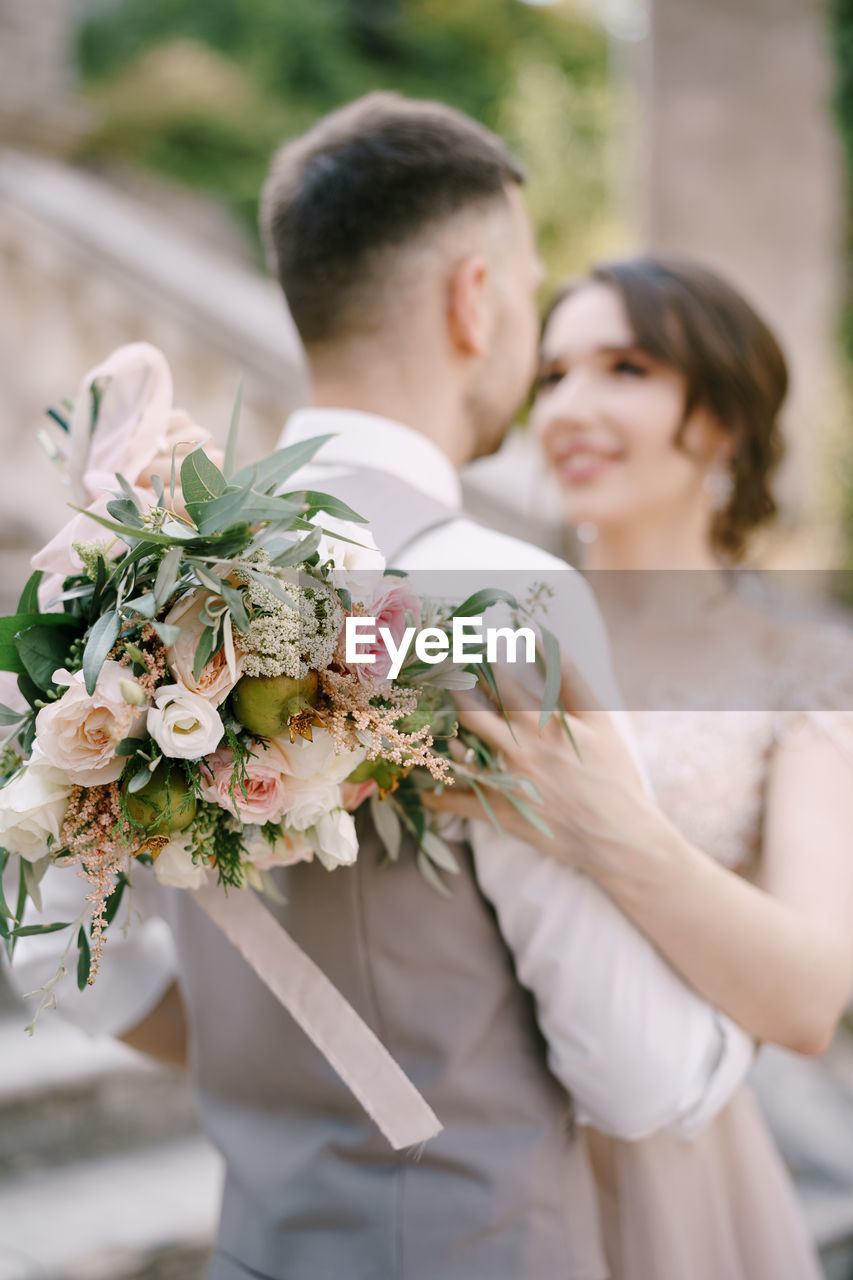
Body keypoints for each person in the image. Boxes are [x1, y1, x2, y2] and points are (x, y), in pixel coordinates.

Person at [9, 105, 755, 1280]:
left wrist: (289, 1076)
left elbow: (60, 948)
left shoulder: (129, 578)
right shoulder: (498, 595)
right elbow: (637, 1071)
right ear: (475, 298)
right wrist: (733, 1033)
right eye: (529, 286)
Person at [427, 256, 853, 1279]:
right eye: (554, 374)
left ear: (719, 417)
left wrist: (600, 825)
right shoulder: (481, 626)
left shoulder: (803, 665)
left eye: (623, 367)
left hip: (672, 1151)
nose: (568, 406)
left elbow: (806, 997)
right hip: (461, 1131)